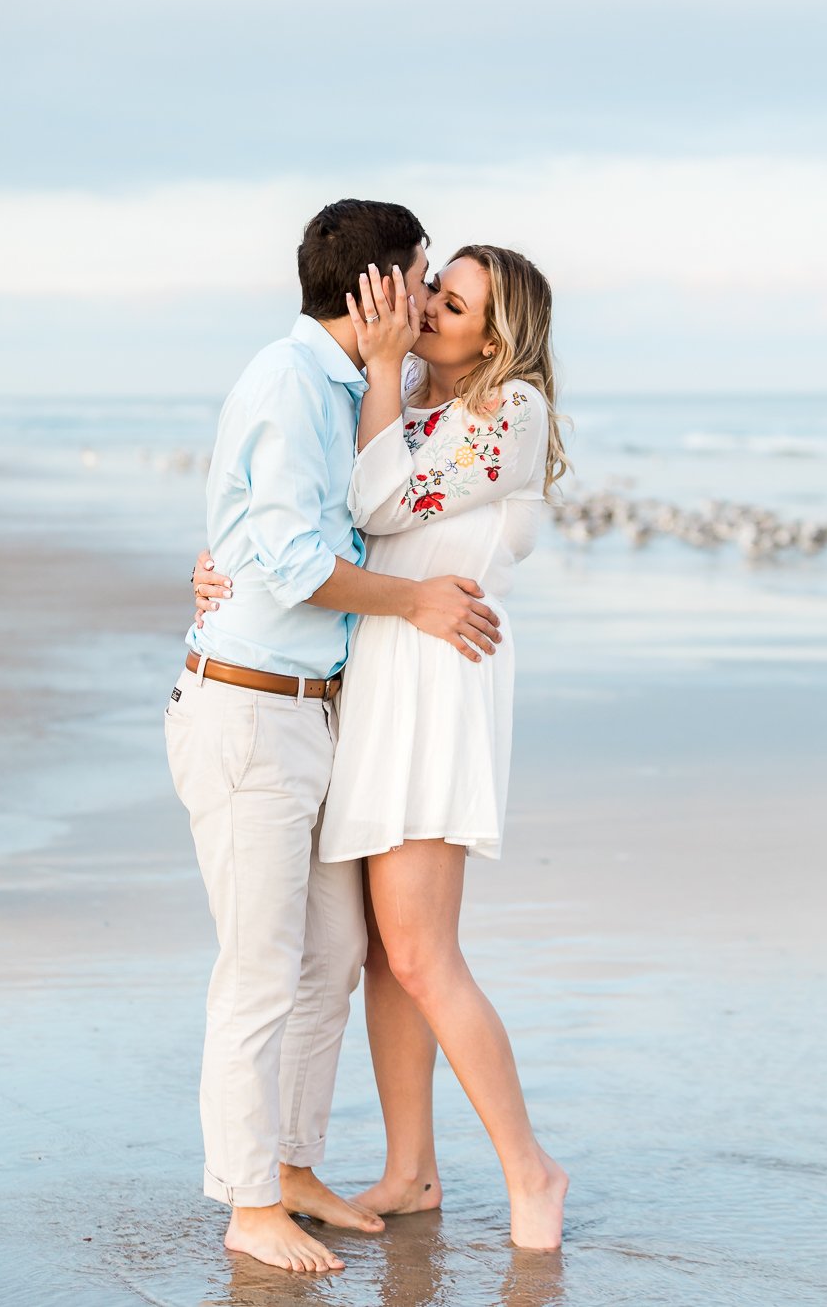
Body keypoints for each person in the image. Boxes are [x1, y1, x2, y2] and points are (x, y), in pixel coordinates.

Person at [196, 244, 570, 1249]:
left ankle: (531, 1171)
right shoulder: (410, 400)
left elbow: (371, 504)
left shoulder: (512, 414)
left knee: (421, 952)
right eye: (428, 288)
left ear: (493, 336)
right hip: (371, 681)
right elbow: (312, 524)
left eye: (447, 301)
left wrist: (374, 375)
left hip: (433, 690)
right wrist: (224, 572)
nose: (423, 308)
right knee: (378, 960)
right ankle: (411, 1168)